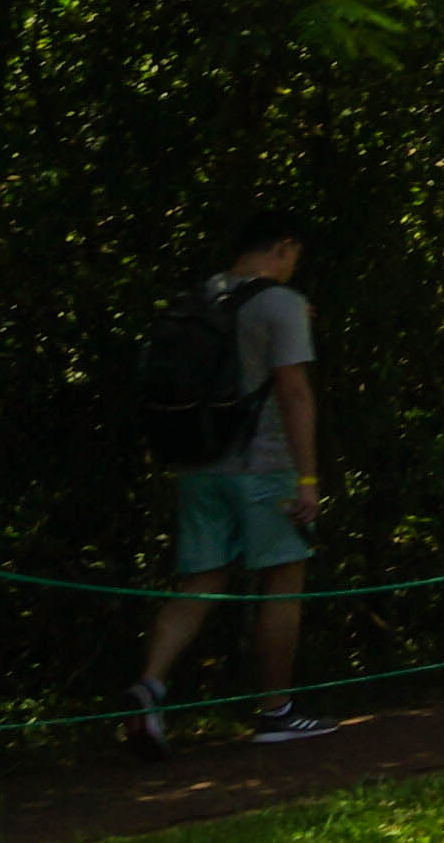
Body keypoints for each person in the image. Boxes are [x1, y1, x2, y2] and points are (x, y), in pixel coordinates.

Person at [131, 212, 330, 752]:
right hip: (262, 467)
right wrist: (308, 478)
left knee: (199, 581)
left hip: (197, 464)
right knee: (283, 577)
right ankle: (276, 711)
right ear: (284, 247)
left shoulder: (202, 296)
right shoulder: (281, 304)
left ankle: (150, 686)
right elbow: (293, 391)